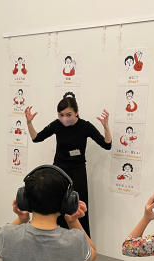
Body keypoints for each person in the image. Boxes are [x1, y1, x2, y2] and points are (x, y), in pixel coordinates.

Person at [24, 94, 112, 236]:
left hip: (78, 172)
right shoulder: (56, 125)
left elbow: (107, 145)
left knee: (78, 207)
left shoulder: (85, 126)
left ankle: (81, 241)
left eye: (69, 114)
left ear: (76, 112)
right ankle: (54, 238)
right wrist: (29, 123)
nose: (65, 118)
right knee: (56, 206)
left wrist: (106, 127)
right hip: (58, 172)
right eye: (61, 115)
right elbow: (36, 138)